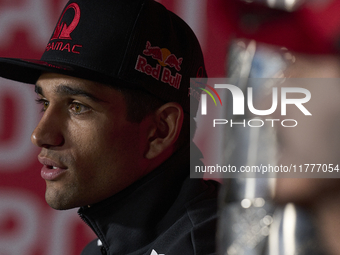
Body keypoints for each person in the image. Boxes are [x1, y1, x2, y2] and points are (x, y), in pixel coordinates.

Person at [0, 0, 219, 254]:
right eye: (44, 102)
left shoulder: (212, 246)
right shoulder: (101, 249)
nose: (40, 135)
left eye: (78, 106)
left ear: (159, 130)